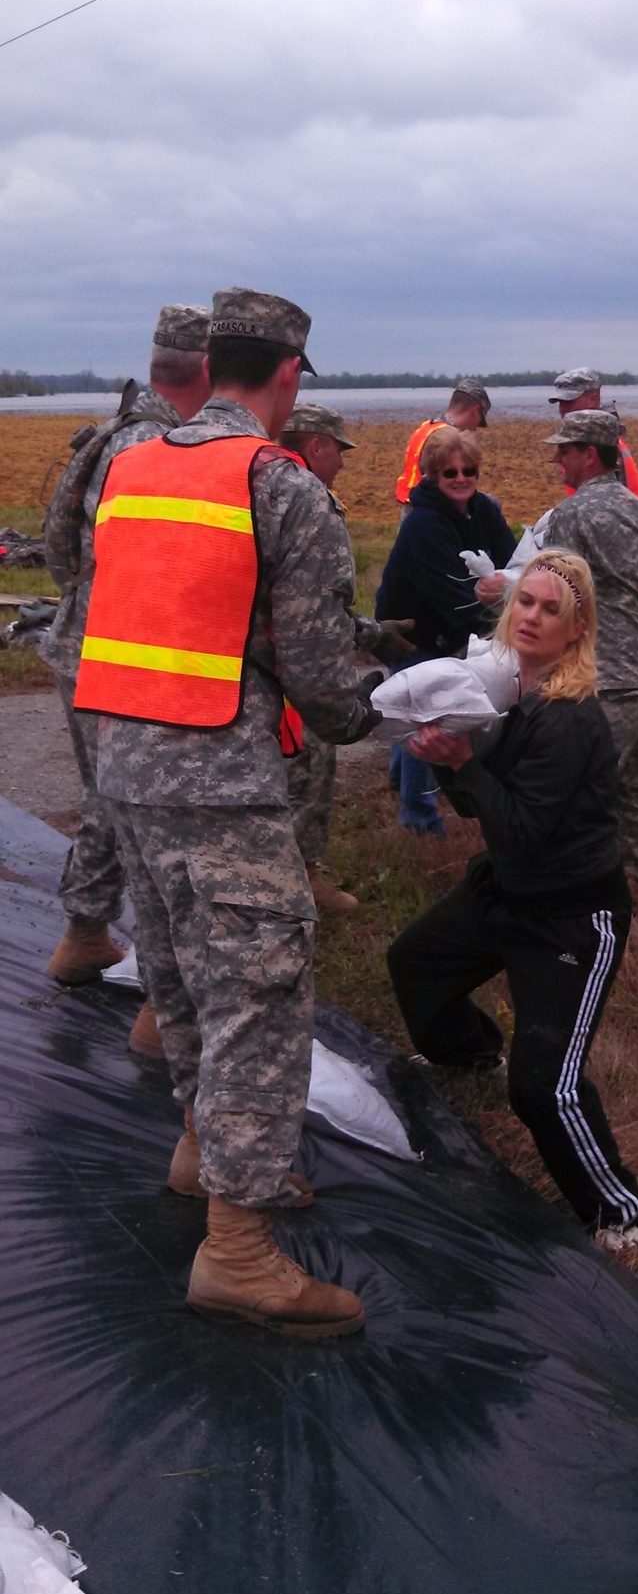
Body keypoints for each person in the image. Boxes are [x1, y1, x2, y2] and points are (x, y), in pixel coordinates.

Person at [78, 287, 379, 1339]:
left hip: (125, 770)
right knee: (259, 990)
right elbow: (320, 678)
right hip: (223, 778)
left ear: (210, 365)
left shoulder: (129, 464)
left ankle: (203, 1151)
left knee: (183, 973)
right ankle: (239, 1249)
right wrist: (388, 708)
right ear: (289, 374)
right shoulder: (280, 487)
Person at [387, 550, 638, 1248]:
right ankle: (471, 1055)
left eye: (551, 609)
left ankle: (621, 1216)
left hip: (570, 917)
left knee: (545, 1090)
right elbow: (485, 811)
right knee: (416, 963)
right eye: (525, 603)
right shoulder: (509, 695)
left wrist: (463, 764)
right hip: (506, 886)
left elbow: (526, 828)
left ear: (577, 628)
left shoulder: (568, 717)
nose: (532, 617)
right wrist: (452, 759)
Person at [41, 303, 212, 1060]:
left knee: (111, 802)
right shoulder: (154, 445)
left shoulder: (114, 433)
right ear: (206, 371)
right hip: (123, 660)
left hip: (88, 647)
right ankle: (153, 998)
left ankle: (86, 934)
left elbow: (58, 547)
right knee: (145, 816)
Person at [541, 410, 638, 886]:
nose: (557, 460)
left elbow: (558, 592)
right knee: (633, 786)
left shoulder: (571, 515)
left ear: (589, 455)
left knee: (586, 783)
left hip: (613, 672)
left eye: (564, 451)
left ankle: (579, 888)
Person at [277, 403, 415, 914]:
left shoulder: (262, 487)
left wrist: (370, 632)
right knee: (307, 770)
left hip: (268, 667)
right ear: (317, 445)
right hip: (297, 672)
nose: (342, 461)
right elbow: (311, 610)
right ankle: (299, 884)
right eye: (339, 450)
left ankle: (295, 879)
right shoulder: (304, 499)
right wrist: (337, 699)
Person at [377, 425, 515, 835]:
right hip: (409, 632)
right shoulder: (422, 525)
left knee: (417, 714)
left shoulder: (483, 510)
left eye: (468, 470)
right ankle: (420, 821)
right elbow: (459, 601)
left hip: (448, 630)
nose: (461, 479)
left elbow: (514, 559)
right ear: (432, 476)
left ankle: (401, 782)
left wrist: (508, 586)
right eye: (449, 473)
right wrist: (503, 600)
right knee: (427, 718)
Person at [549, 366, 638, 500]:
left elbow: (616, 506)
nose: (562, 409)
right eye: (560, 403)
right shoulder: (585, 440)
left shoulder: (604, 444)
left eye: (569, 402)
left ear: (593, 400)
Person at [394, 378, 491, 506]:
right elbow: (449, 487)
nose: (476, 427)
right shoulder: (448, 440)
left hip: (411, 505)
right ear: (474, 411)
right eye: (479, 420)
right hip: (430, 510)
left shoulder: (426, 428)